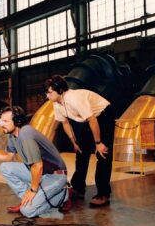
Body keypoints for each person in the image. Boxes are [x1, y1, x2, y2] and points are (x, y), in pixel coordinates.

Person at [0, 106, 69, 218]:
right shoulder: (13, 135)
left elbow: (37, 165)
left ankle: (63, 196)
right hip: (41, 174)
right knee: (5, 167)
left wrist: (33, 190)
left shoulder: (26, 133)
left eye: (5, 121)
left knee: (27, 211)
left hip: (54, 176)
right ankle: (28, 199)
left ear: (17, 121)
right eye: (2, 121)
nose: (2, 124)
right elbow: (8, 156)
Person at [44, 75, 115, 207]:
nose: (47, 96)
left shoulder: (74, 98)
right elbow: (65, 123)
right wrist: (74, 142)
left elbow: (92, 120)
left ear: (59, 90)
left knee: (103, 154)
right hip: (89, 119)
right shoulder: (57, 104)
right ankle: (78, 188)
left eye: (49, 92)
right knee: (81, 151)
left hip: (103, 115)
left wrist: (98, 143)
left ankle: (103, 194)